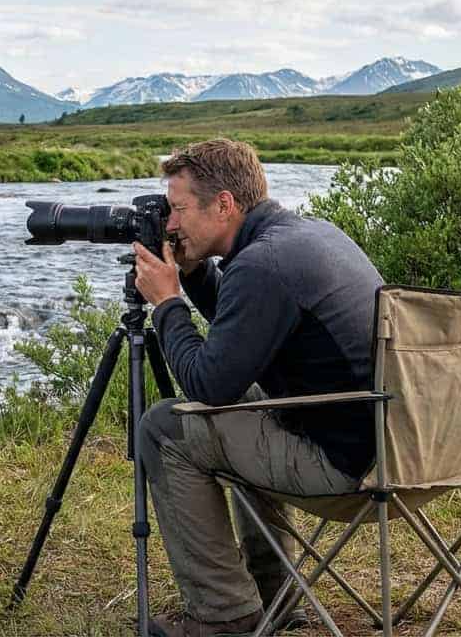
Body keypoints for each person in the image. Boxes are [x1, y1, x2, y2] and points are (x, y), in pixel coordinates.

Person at [129, 139, 384, 637]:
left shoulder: (261, 265)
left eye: (179, 209)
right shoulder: (308, 237)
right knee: (248, 406)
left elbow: (207, 383)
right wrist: (195, 273)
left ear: (224, 204)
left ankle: (224, 616)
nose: (171, 224)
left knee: (165, 428)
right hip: (396, 446)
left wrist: (166, 304)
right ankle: (277, 596)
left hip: (338, 464)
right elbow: (242, 329)